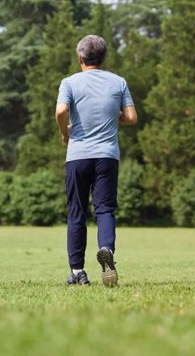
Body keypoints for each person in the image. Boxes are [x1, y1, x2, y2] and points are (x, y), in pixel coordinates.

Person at [55, 35, 138, 287]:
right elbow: (132, 117)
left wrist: (64, 131)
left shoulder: (69, 82)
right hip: (107, 156)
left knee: (77, 212)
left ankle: (78, 272)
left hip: (78, 156)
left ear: (79, 58)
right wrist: (112, 118)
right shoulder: (118, 81)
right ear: (104, 58)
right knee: (104, 209)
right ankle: (107, 250)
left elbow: (60, 111)